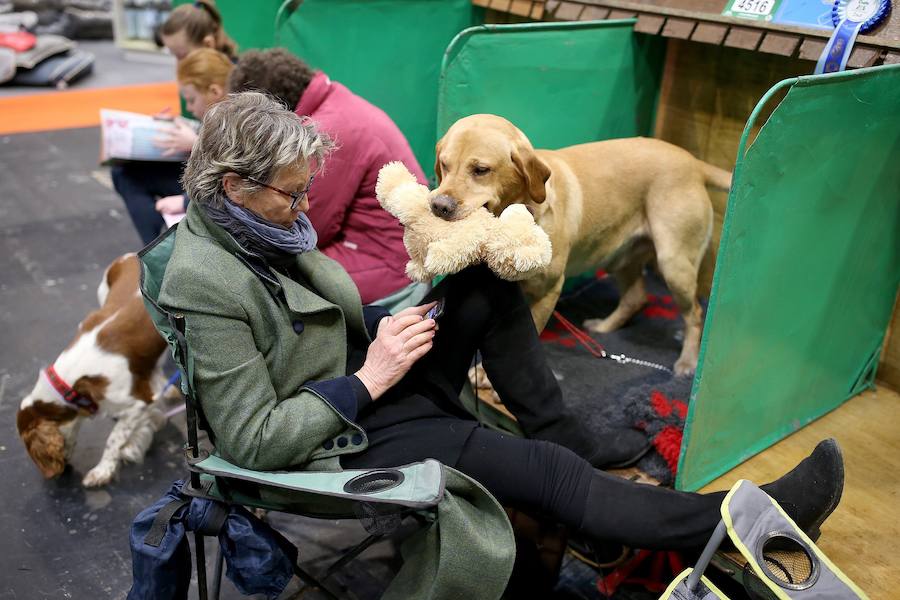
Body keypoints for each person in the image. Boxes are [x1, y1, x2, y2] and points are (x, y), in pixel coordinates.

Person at [158, 92, 844, 595]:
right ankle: (739, 521)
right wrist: (368, 378)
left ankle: (565, 441)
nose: (307, 208)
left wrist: (383, 331)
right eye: (293, 195)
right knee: (548, 474)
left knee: (486, 287)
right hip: (340, 434)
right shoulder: (206, 283)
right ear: (233, 187)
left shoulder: (253, 229)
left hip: (364, 383)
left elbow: (309, 327)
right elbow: (250, 439)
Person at [228, 48, 427, 306]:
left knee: (261, 277)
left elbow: (303, 225)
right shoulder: (335, 100)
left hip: (389, 268)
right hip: (390, 253)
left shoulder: (325, 134)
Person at [112, 1, 236, 245]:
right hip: (207, 166)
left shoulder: (236, 83)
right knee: (124, 172)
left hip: (215, 174)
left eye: (181, 55)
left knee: (128, 176)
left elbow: (240, 160)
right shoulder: (210, 76)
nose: (179, 64)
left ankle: (158, 251)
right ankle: (157, 249)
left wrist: (196, 142)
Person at [153, 48, 234, 218]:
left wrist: (195, 143)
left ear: (215, 92)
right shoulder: (220, 115)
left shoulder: (240, 120)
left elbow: (234, 171)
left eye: (192, 100)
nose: (189, 108)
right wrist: (177, 124)